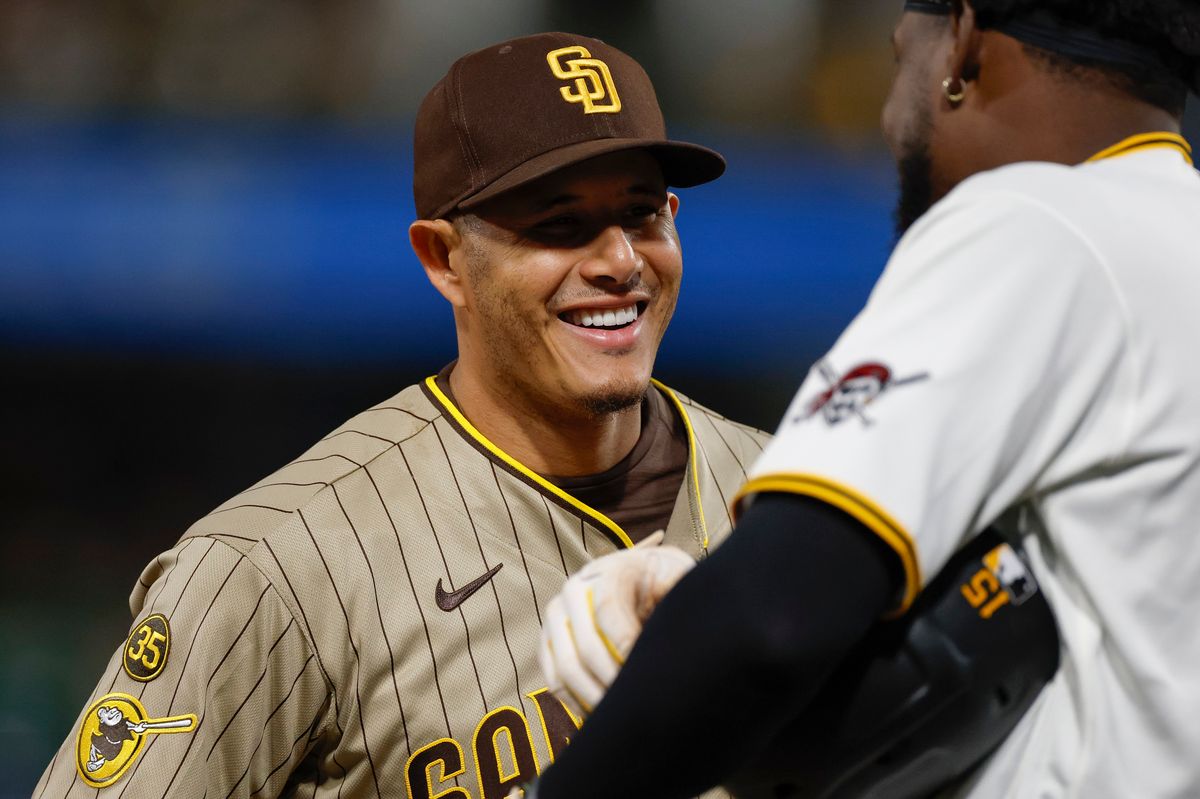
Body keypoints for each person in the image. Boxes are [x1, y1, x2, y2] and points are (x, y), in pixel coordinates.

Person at [34, 32, 769, 799]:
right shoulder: (275, 566)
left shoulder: (798, 490)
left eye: (642, 214)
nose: (619, 259)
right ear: (444, 259)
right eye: (558, 223)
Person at [530, 1, 1200, 797]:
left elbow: (772, 621)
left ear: (961, 43)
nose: (888, 119)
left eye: (897, 61)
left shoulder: (1035, 224)